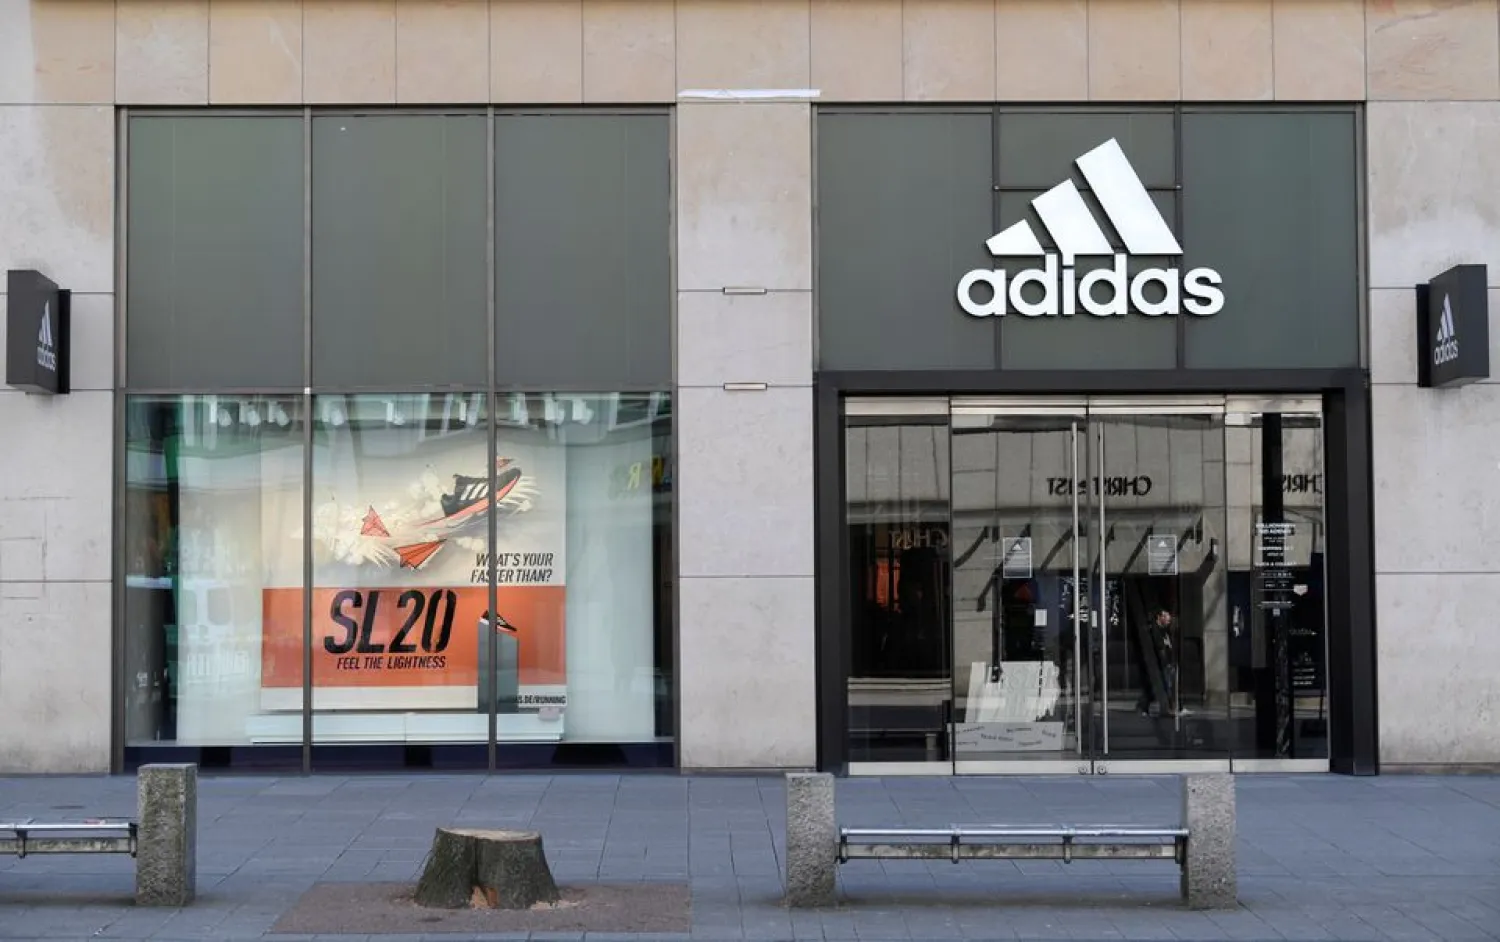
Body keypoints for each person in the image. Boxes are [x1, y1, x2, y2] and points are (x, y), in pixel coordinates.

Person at [1135, 607, 1177, 716]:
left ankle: (1147, 706)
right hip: (1158, 663)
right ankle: (1162, 707)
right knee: (1160, 686)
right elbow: (1158, 647)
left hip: (1163, 663)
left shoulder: (1165, 631)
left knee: (1162, 686)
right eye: (1165, 616)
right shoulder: (1154, 630)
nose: (1168, 619)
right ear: (1159, 617)